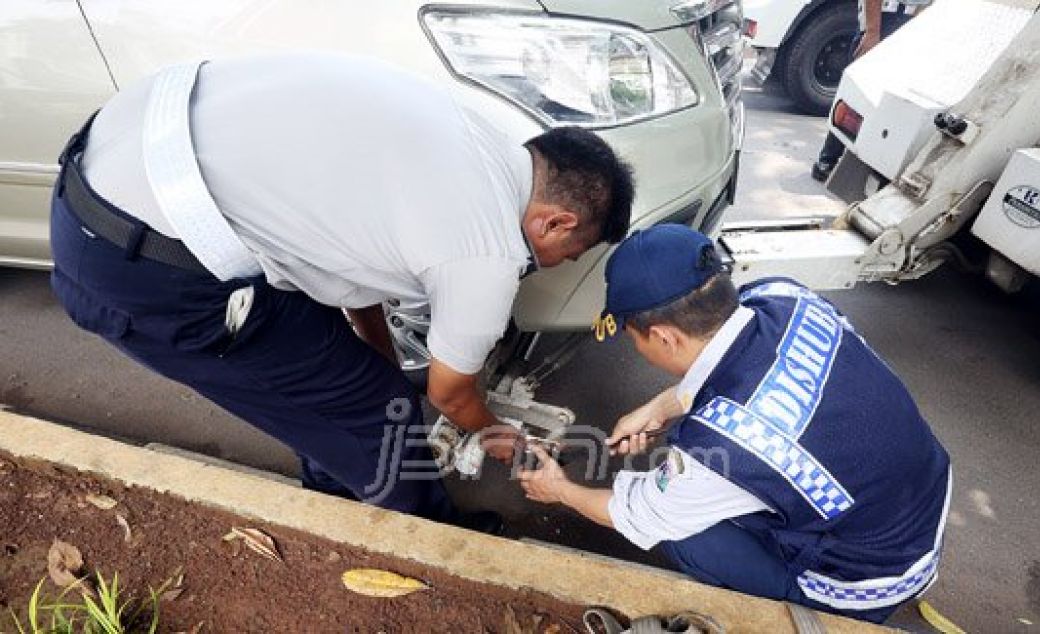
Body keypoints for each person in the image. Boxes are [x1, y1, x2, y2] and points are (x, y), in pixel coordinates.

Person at [50, 52, 635, 530]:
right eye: (572, 254)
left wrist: (373, 349)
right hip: (147, 263)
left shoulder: (475, 135)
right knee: (385, 413)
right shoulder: (487, 251)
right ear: (555, 222)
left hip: (120, 158)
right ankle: (427, 542)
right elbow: (451, 393)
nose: (559, 264)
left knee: (336, 381)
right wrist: (496, 434)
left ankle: (333, 502)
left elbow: (352, 260)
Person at [520, 225, 951, 623]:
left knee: (680, 530)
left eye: (633, 336)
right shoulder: (783, 297)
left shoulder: (720, 451)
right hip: (917, 513)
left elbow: (636, 513)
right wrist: (660, 408)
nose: (635, 347)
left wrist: (558, 490)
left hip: (861, 581)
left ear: (666, 336)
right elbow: (760, 373)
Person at [811, 0, 932, 182]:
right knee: (857, 99)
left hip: (909, 24)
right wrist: (872, 32)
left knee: (890, 106)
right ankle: (827, 160)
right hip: (884, 20)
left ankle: (868, 168)